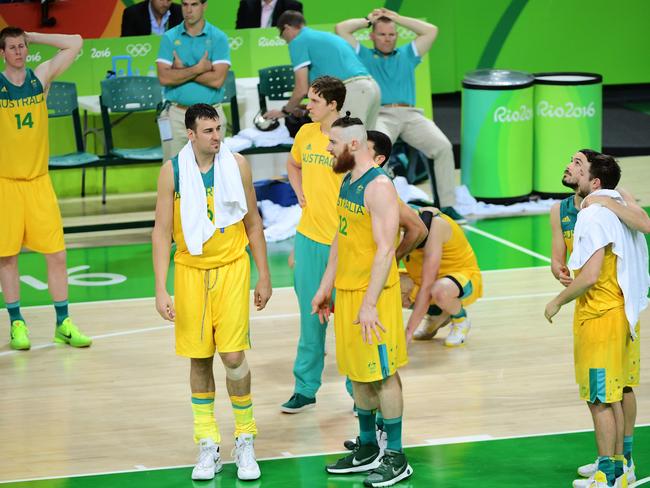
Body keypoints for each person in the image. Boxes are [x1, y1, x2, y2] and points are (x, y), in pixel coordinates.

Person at [151, 104, 272, 481]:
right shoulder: (172, 171)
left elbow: (253, 224)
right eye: (208, 131)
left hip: (232, 269)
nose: (217, 136)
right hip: (190, 273)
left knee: (233, 355)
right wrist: (160, 287)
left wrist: (264, 274)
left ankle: (245, 438)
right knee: (199, 359)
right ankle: (207, 443)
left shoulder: (237, 165)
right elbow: (160, 231)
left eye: (219, 129)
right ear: (191, 134)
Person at [312, 115, 412, 487]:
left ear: (353, 145)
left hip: (376, 297)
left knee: (384, 375)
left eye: (333, 143)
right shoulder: (348, 182)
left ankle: (397, 456)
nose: (328, 149)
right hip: (349, 293)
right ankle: (368, 447)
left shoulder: (379, 187)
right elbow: (341, 239)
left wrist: (370, 303)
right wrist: (326, 286)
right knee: (358, 375)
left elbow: (386, 249)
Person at [545, 150, 649, 488]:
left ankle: (611, 473)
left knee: (603, 398)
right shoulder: (568, 210)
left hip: (602, 314)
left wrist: (557, 301)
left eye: (578, 163)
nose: (570, 165)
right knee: (611, 394)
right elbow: (569, 261)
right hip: (614, 310)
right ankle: (615, 467)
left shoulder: (600, 210)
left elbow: (589, 276)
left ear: (595, 181)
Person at [0, 27, 92, 350]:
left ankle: (63, 323)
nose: (18, 52)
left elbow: (76, 42)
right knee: (7, 258)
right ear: (2, 54)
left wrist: (33, 35)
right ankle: (16, 323)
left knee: (57, 254)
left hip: (39, 182)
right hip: (6, 185)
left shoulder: (40, 78)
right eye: (11, 48)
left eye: (21, 46)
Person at [336, 8, 462, 221]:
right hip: (382, 114)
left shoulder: (408, 54)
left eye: (392, 34)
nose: (388, 39)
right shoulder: (363, 55)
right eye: (383, 34)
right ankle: (379, 207)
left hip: (411, 114)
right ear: (372, 36)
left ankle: (447, 205)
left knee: (442, 147)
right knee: (375, 153)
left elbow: (431, 31)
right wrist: (368, 20)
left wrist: (397, 19)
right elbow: (341, 29)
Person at [280, 76, 346, 413]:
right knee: (311, 319)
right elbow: (293, 164)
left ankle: (359, 392)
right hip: (308, 240)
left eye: (315, 101)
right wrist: (299, 191)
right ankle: (305, 389)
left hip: (344, 244)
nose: (308, 106)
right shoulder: (305, 134)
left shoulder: (351, 137)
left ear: (333, 104)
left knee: (349, 320)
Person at [265, 10, 380, 128]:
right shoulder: (322, 36)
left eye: (281, 33)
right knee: (366, 142)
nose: (283, 38)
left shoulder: (298, 41)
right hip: (371, 88)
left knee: (347, 142)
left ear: (287, 28)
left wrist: (284, 112)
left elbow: (301, 89)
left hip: (353, 91)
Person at [156, 0, 230, 163]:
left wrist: (181, 70)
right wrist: (199, 68)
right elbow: (164, 78)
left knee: (214, 170)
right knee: (174, 171)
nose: (188, 10)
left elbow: (217, 80)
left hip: (211, 116)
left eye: (194, 4)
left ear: (204, 6)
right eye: (185, 4)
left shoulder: (218, 38)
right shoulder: (169, 38)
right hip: (176, 116)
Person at [401, 204, 482, 346]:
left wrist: (408, 332)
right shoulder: (398, 227)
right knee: (388, 286)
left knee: (439, 290)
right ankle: (436, 314)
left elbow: (427, 284)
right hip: (425, 280)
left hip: (460, 279)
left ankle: (460, 320)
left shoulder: (436, 227)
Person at [235, 0, 303, 29]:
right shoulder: (246, 5)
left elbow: (297, 34)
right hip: (253, 50)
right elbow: (240, 33)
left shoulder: (292, 6)